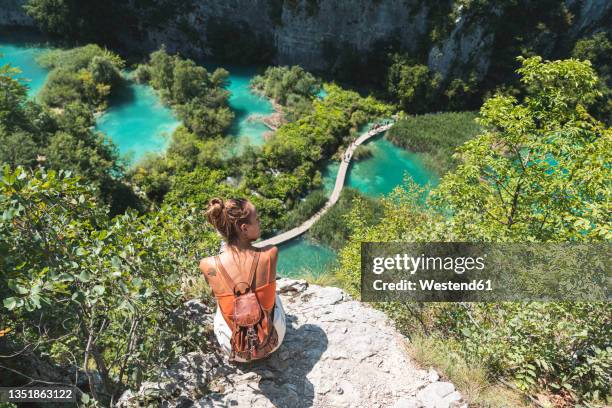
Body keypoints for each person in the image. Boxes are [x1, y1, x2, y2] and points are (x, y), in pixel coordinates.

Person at [199, 197, 286, 362]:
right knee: (273, 294)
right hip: (273, 341)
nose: (260, 222)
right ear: (244, 228)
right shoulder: (270, 254)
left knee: (224, 299)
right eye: (257, 220)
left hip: (234, 349)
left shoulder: (207, 265)